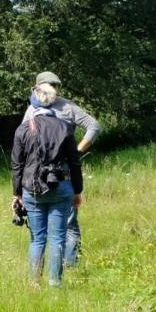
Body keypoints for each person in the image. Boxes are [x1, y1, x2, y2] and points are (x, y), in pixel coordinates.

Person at [22, 71, 100, 267]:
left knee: (69, 224)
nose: (54, 89)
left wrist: (78, 150)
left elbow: (94, 126)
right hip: (39, 177)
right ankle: (54, 272)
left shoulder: (66, 106)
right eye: (50, 85)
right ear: (37, 87)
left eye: (56, 86)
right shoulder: (31, 109)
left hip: (64, 174)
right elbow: (23, 140)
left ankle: (70, 266)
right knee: (42, 232)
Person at [11, 82, 83, 286]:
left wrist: (16, 194)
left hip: (32, 191)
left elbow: (17, 165)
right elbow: (74, 162)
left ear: (34, 102)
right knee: (58, 238)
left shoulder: (23, 129)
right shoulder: (66, 128)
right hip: (62, 189)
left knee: (37, 239)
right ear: (52, 103)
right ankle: (55, 284)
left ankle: (34, 283)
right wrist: (77, 191)